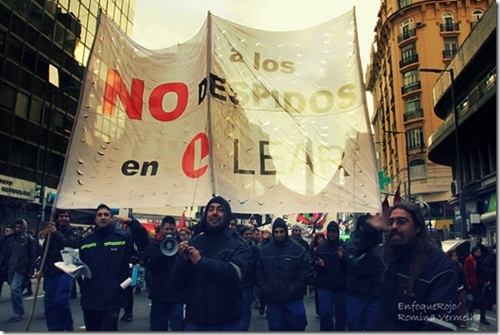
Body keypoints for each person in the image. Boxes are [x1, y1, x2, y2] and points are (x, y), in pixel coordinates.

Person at [365, 202, 459, 331]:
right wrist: (370, 230)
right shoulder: (387, 257)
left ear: (418, 228)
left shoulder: (438, 265)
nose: (394, 226)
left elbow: (443, 324)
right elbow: (360, 260)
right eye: (391, 222)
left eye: (402, 221)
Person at [171, 196, 250, 331]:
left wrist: (201, 262)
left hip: (226, 321)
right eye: (211, 209)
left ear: (227, 216)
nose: (214, 213)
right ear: (205, 214)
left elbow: (234, 275)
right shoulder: (195, 242)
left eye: (220, 210)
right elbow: (177, 282)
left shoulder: (238, 245)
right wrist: (184, 261)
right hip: (195, 320)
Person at [78, 204, 149, 331]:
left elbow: (143, 245)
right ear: (95, 220)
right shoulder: (86, 242)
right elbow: (79, 266)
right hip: (90, 299)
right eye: (99, 215)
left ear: (111, 218)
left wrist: (134, 224)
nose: (103, 217)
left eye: (106, 215)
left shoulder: (123, 238)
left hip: (112, 298)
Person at [256, 217, 313, 331]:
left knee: (296, 328)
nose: (279, 235)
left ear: (286, 232)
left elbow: (305, 271)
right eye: (276, 232)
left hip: (293, 299)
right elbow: (259, 272)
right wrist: (266, 288)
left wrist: (295, 288)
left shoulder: (298, 250)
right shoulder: (265, 251)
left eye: (281, 231)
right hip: (273, 300)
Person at [35, 209, 80, 331]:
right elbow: (45, 252)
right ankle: (55, 329)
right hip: (51, 272)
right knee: (49, 304)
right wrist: (40, 270)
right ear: (57, 218)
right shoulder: (50, 233)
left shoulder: (73, 231)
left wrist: (55, 233)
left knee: (61, 300)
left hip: (65, 271)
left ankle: (67, 326)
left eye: (66, 216)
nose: (64, 218)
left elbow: (69, 244)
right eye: (61, 216)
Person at [141, 215, 185, 331]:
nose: (169, 231)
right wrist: (162, 252)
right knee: (158, 328)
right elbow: (149, 265)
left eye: (171, 229)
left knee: (178, 327)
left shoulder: (182, 244)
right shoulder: (154, 244)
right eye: (166, 229)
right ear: (161, 229)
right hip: (159, 294)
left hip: (178, 295)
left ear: (175, 229)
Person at [344, 214, 384, 331]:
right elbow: (357, 267)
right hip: (356, 294)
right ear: (362, 227)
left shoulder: (381, 245)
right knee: (354, 326)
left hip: (375, 294)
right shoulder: (351, 245)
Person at [313, 220, 348, 331]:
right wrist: (320, 265)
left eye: (334, 232)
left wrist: (343, 258)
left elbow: (350, 265)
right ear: (327, 233)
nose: (332, 234)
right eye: (330, 232)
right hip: (325, 286)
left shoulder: (343, 246)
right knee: (325, 313)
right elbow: (314, 265)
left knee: (341, 315)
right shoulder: (321, 248)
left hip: (341, 287)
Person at [0, 219, 37, 322]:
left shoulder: (29, 239)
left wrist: (30, 271)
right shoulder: (10, 239)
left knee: (15, 288)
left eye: (19, 227)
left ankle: (19, 312)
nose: (17, 229)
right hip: (9, 268)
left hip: (20, 269)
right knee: (14, 290)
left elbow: (33, 255)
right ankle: (18, 310)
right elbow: (4, 253)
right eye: (16, 227)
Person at [238, 225, 260, 331]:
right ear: (242, 235)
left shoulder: (256, 249)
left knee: (245, 311)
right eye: (246, 234)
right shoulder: (237, 247)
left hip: (249, 284)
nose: (249, 236)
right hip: (237, 284)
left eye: (250, 234)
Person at [464, 246, 490, 325]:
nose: (478, 253)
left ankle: (479, 316)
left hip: (480, 282)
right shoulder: (469, 259)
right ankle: (475, 315)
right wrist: (468, 282)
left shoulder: (482, 260)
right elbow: (466, 272)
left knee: (479, 300)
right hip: (473, 283)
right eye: (477, 252)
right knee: (478, 300)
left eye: (479, 252)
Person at [447, 248, 467, 328]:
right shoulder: (448, 266)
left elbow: (462, 276)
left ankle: (462, 321)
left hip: (460, 287)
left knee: (462, 305)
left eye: (456, 255)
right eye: (454, 256)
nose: (456, 257)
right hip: (452, 289)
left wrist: (465, 286)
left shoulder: (459, 265)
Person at [255, 225, 272, 314]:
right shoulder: (259, 246)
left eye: (267, 232)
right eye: (263, 232)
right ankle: (262, 305)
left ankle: (267, 307)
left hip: (270, 270)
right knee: (261, 291)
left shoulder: (272, 244)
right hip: (261, 270)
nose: (265, 234)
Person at [308, 233, 325, 316]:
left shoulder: (326, 248)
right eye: (319, 239)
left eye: (322, 238)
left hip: (325, 275)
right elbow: (310, 262)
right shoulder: (313, 249)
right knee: (318, 294)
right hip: (316, 275)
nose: (320, 240)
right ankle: (319, 310)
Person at [0, 227, 14, 298]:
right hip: (2, 264)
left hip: (7, 265)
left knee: (11, 282)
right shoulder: (3, 239)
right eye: (5, 230)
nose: (5, 232)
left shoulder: (11, 240)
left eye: (7, 231)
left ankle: (16, 293)